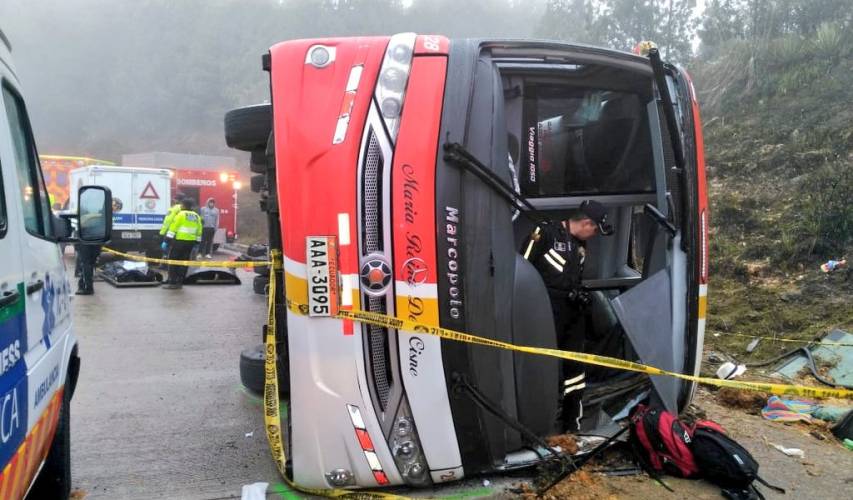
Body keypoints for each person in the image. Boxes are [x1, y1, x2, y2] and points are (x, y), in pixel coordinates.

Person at [520, 199, 613, 433]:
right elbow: (520, 270)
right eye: (594, 229)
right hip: (542, 312)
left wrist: (580, 295)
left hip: (571, 315)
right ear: (585, 222)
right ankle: (534, 424)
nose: (594, 234)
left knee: (575, 371)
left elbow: (574, 278)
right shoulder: (545, 233)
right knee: (540, 367)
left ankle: (572, 424)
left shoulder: (581, 245)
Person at [162, 198, 203, 289]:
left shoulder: (180, 214)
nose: (180, 206)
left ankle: (172, 282)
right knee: (184, 262)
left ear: (184, 205)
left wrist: (167, 241)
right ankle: (180, 282)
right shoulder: (196, 216)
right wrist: (197, 242)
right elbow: (199, 231)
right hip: (190, 243)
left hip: (179, 242)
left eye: (181, 205)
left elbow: (173, 228)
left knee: (173, 261)